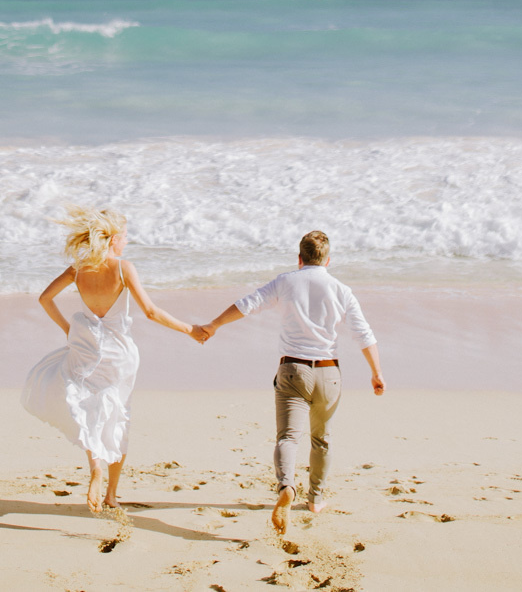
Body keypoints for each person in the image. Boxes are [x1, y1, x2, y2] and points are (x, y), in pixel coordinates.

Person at [197, 229, 384, 533]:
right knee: (321, 437)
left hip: (293, 370)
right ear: (328, 260)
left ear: (299, 258)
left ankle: (286, 487)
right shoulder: (341, 290)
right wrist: (376, 372)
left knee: (288, 438)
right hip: (329, 373)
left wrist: (213, 325)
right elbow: (363, 334)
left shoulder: (286, 282)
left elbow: (248, 304)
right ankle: (316, 499)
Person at [22, 205, 205, 513]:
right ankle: (111, 494)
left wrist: (69, 330)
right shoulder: (123, 268)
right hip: (118, 353)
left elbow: (45, 299)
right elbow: (150, 311)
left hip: (85, 347)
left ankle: (95, 467)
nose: (127, 241)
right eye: (126, 235)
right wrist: (189, 329)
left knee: (91, 409)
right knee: (119, 414)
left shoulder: (78, 269)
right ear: (114, 238)